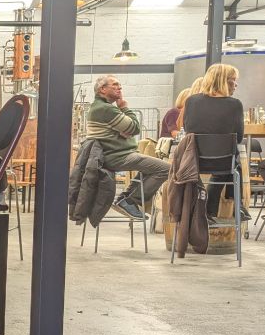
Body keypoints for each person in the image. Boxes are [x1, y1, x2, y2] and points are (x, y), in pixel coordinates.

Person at [86, 74, 169, 219]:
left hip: (116, 154)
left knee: (151, 168)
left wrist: (123, 131)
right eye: (115, 85)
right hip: (117, 156)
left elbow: (129, 130)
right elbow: (135, 128)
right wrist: (124, 107)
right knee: (166, 169)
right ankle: (130, 200)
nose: (120, 88)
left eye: (120, 85)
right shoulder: (106, 109)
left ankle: (126, 199)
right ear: (102, 89)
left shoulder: (102, 108)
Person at [181, 63, 249, 221]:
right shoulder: (235, 105)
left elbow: (187, 128)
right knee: (230, 165)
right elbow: (238, 138)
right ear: (222, 81)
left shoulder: (191, 101)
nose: (236, 84)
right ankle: (235, 207)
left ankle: (212, 212)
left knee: (228, 163)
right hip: (223, 163)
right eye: (233, 80)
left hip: (193, 161)